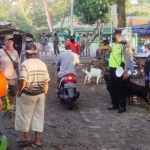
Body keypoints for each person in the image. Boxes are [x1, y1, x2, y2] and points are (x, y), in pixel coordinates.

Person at [15, 43, 50, 146]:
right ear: (36, 52)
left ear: (26, 53)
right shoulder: (42, 64)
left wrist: (20, 91)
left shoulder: (25, 64)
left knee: (25, 115)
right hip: (40, 94)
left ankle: (26, 136)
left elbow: (23, 80)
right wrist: (45, 93)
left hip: (28, 94)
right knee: (39, 116)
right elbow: (46, 82)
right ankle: (37, 140)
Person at [107, 30, 130, 113]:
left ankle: (122, 106)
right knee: (112, 87)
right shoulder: (113, 44)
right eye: (113, 35)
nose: (114, 36)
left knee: (120, 88)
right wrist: (108, 49)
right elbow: (109, 54)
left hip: (119, 68)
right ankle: (115, 104)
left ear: (119, 35)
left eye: (115, 35)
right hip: (112, 68)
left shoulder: (124, 45)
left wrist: (126, 71)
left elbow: (128, 58)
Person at [0, 35, 19, 107]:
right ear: (4, 42)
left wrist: (19, 76)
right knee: (3, 94)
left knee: (12, 94)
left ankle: (10, 107)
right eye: (8, 41)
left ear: (13, 43)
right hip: (3, 78)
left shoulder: (16, 52)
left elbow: (18, 65)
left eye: (11, 41)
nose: (9, 43)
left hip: (13, 77)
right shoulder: (0, 52)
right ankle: (5, 108)